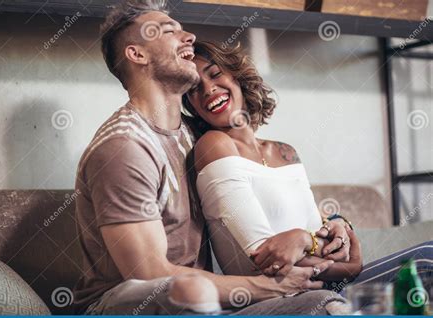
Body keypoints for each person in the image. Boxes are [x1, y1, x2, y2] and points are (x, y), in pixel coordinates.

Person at [72, 0, 347, 316]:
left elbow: (269, 185)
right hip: (123, 311)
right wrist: (273, 288)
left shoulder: (195, 134)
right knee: (192, 290)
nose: (188, 36)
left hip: (210, 303)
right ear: (137, 54)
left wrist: (334, 224)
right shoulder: (124, 147)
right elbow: (148, 274)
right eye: (169, 31)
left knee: (326, 302)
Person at [182, 40, 432, 291]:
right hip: (286, 295)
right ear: (189, 104)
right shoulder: (214, 145)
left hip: (330, 283)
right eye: (193, 88)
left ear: (237, 78)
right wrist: (350, 266)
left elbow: (316, 227)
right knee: (426, 260)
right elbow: (264, 257)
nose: (208, 90)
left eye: (215, 74)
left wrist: (338, 227)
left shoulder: (284, 152)